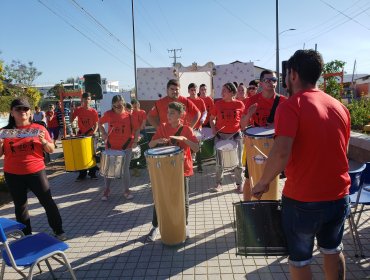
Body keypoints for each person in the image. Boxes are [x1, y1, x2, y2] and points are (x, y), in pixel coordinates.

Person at [252, 50, 351, 280]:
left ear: (293, 75)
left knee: (300, 260)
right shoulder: (339, 106)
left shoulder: (290, 106)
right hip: (339, 196)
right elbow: (341, 151)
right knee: (333, 250)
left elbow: (280, 153)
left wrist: (262, 183)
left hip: (302, 201)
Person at [0, 98, 66, 240]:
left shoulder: (39, 129)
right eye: (18, 109)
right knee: (20, 206)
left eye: (25, 109)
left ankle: (59, 231)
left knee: (47, 202)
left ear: (30, 112)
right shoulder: (5, 132)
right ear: (12, 112)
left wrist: (43, 141)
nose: (22, 112)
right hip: (13, 174)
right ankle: (26, 236)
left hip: (36, 172)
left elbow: (50, 149)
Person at [146, 102, 199, 242]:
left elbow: (197, 148)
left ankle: (185, 225)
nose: (168, 115)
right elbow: (150, 145)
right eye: (168, 112)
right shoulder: (163, 127)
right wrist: (158, 140)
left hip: (183, 169)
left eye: (172, 113)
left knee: (184, 199)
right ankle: (155, 227)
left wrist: (185, 140)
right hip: (164, 170)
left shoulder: (187, 129)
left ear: (180, 115)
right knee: (160, 198)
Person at [241, 70, 287, 200]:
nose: (271, 83)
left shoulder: (283, 101)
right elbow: (243, 126)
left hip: (276, 146)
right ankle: (247, 209)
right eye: (267, 80)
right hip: (255, 146)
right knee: (249, 179)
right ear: (261, 83)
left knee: (275, 180)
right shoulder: (252, 100)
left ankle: (271, 206)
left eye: (274, 80)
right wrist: (249, 114)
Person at [98, 95, 140, 201]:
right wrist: (103, 133)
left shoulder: (129, 116)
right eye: (116, 106)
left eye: (121, 105)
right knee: (109, 170)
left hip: (127, 147)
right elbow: (99, 123)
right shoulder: (108, 114)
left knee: (125, 170)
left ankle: (126, 190)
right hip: (111, 147)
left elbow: (137, 128)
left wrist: (135, 141)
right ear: (113, 105)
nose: (119, 107)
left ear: (124, 104)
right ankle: (107, 190)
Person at [210, 82, 245, 193]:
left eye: (224, 90)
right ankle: (218, 183)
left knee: (238, 162)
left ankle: (239, 184)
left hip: (236, 135)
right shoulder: (218, 104)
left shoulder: (240, 104)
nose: (221, 92)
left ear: (231, 92)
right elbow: (211, 119)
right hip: (221, 136)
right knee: (219, 162)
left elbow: (244, 120)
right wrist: (214, 129)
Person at [71, 92, 99, 181]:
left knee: (92, 155)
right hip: (81, 136)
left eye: (88, 99)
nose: (86, 100)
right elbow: (71, 120)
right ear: (82, 100)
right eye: (85, 99)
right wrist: (72, 111)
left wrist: (94, 132)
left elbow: (96, 124)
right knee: (81, 155)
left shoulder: (93, 111)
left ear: (90, 100)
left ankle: (92, 173)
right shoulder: (78, 110)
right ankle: (82, 174)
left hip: (90, 136)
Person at [187, 83, 207, 173]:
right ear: (188, 91)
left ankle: (199, 165)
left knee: (198, 147)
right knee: (188, 146)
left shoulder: (200, 101)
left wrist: (203, 118)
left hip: (198, 128)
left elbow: (205, 112)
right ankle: (189, 165)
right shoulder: (186, 100)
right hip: (188, 128)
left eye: (195, 90)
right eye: (191, 90)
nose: (193, 92)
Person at [131, 98, 147, 177]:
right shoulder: (131, 113)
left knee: (143, 148)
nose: (135, 107)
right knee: (134, 150)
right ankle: (135, 168)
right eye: (134, 106)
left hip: (141, 132)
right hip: (134, 134)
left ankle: (143, 163)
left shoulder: (143, 112)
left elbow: (143, 123)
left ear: (138, 104)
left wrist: (139, 132)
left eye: (136, 105)